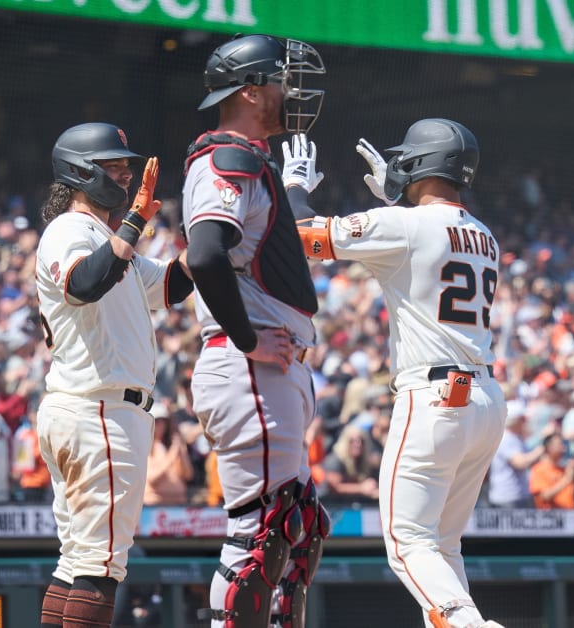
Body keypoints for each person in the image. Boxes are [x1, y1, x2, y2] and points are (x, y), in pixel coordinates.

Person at [297, 118, 504, 627]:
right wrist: (397, 205)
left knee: (407, 541)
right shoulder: (485, 234)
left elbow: (305, 237)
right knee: (441, 548)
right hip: (484, 400)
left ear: (420, 163)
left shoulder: (407, 225)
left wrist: (294, 188)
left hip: (435, 398)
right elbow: (424, 255)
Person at [183, 32, 329, 628]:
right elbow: (206, 255)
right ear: (249, 89)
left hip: (270, 366)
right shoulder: (226, 156)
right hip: (248, 362)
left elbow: (266, 249)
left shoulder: (251, 159)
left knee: (297, 527)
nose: (289, 89)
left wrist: (293, 190)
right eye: (279, 78)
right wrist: (245, 338)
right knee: (262, 532)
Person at [34, 122, 193, 628]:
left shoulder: (103, 236)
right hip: (96, 409)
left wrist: (213, 232)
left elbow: (169, 285)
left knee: (77, 562)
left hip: (92, 409)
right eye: (114, 165)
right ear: (81, 173)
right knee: (102, 566)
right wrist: (133, 224)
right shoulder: (68, 229)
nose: (127, 175)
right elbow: (85, 284)